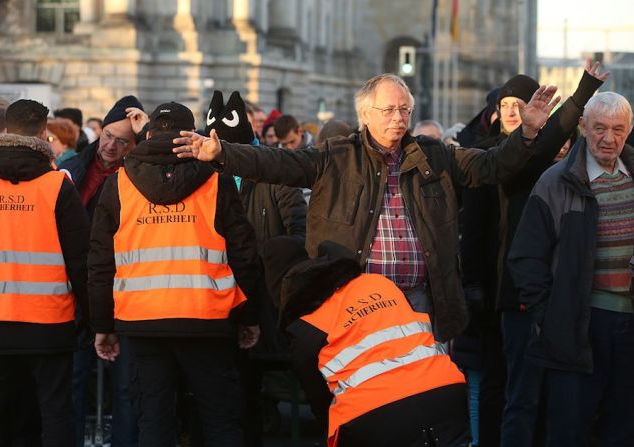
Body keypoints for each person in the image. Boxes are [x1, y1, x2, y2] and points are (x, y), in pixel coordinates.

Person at [174, 73, 560, 342]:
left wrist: (527, 133)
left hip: (419, 302)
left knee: (419, 404)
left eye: (405, 110)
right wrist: (222, 153)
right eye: (389, 110)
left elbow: (493, 166)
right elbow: (277, 164)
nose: (399, 118)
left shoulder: (433, 155)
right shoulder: (336, 156)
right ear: (366, 114)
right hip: (357, 302)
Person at [89, 101, 263, 447]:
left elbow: (99, 263)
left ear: (148, 134)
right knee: (220, 418)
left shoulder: (119, 184)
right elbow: (244, 254)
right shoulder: (216, 180)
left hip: (142, 319)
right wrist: (250, 316)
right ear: (191, 136)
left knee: (153, 419)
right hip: (207, 318)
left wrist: (102, 326)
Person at [0, 99, 90, 447]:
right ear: (44, 134)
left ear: (5, 132)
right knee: (55, 413)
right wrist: (92, 318)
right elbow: (81, 261)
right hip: (50, 325)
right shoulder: (58, 187)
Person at [508, 91, 634, 446]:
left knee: (623, 429)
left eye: (618, 129)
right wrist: (551, 317)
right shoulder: (556, 181)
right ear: (582, 127)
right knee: (568, 430)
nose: (609, 138)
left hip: (629, 328)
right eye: (599, 128)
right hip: (579, 325)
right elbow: (525, 258)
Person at [263, 236, 468, 447]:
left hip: (371, 416)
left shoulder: (307, 326)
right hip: (446, 390)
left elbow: (320, 404)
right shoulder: (378, 282)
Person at [205, 90, 307, 446]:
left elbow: (298, 231)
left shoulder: (272, 176)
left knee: (249, 385)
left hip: (264, 301)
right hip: (216, 301)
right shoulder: (202, 178)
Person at [60, 95, 147, 447]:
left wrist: (150, 133)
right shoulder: (74, 166)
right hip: (78, 287)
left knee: (127, 384)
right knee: (73, 380)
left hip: (125, 287)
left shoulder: (139, 174)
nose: (111, 145)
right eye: (108, 135)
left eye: (123, 140)